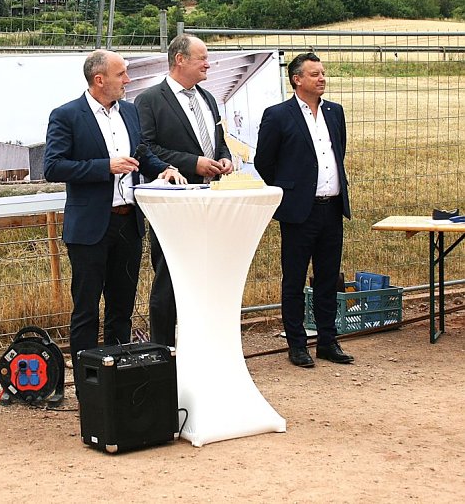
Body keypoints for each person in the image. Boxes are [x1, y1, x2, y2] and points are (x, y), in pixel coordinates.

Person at [44, 49, 185, 375]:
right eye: (121, 74)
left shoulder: (131, 113)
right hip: (91, 228)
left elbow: (142, 154)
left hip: (128, 225)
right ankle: (87, 384)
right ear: (99, 79)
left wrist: (163, 168)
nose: (127, 80)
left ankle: (117, 380)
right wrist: (104, 167)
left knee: (121, 310)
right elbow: (53, 166)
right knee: (86, 311)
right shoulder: (67, 115)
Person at [255, 53, 354, 368]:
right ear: (297, 79)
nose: (322, 78)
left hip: (332, 208)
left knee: (327, 278)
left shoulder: (334, 113)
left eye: (323, 73)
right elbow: (264, 161)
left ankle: (328, 341)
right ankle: (297, 344)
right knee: (294, 279)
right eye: (315, 74)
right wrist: (290, 190)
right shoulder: (278, 115)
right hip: (299, 212)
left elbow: (339, 152)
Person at [135, 34, 234, 348]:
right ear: (180, 59)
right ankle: (163, 350)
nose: (208, 63)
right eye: (202, 58)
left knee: (206, 276)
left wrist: (224, 158)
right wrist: (194, 164)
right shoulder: (150, 100)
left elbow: (218, 141)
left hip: (211, 200)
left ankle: (200, 346)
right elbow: (146, 148)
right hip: (174, 204)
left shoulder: (208, 98)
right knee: (169, 277)